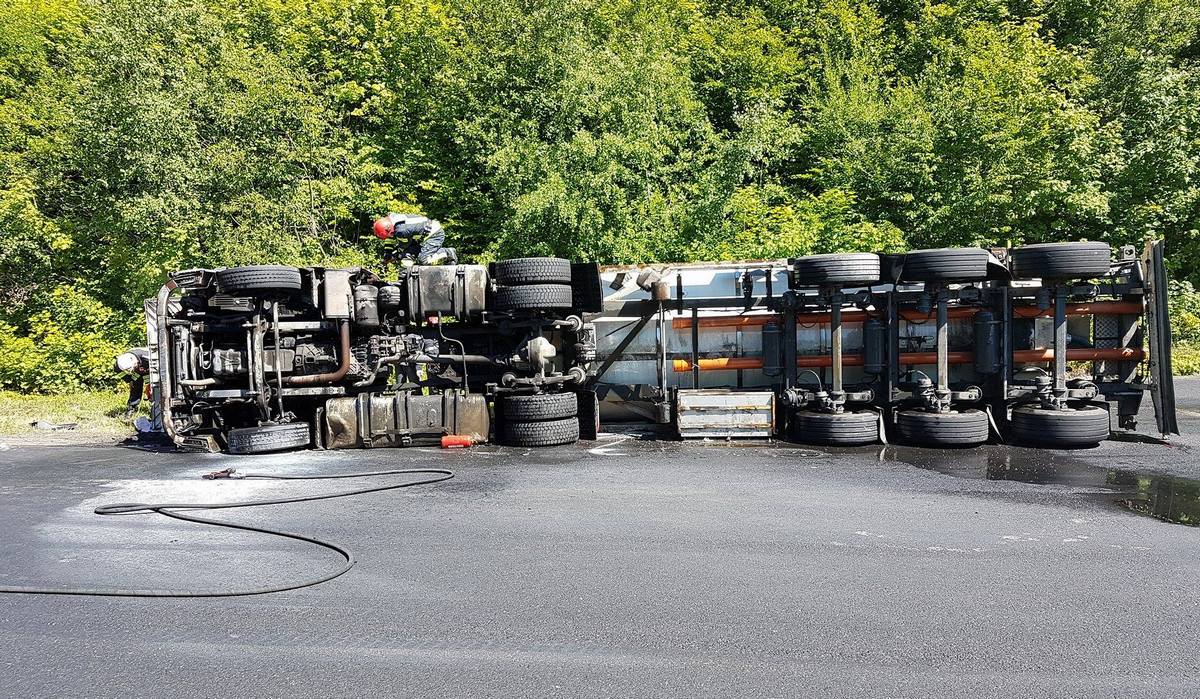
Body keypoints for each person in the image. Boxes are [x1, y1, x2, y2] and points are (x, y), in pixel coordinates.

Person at [372, 212, 458, 267]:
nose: (389, 238)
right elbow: (390, 239)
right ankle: (405, 280)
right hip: (420, 236)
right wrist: (388, 253)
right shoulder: (392, 220)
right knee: (406, 258)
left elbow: (404, 246)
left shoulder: (401, 231)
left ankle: (447, 252)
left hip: (434, 234)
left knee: (424, 260)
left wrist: (395, 256)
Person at [114, 347, 150, 418]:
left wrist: (150, 383)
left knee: (154, 389)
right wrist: (129, 380)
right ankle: (131, 408)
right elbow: (118, 371)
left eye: (131, 368)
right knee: (134, 386)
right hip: (137, 373)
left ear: (134, 361)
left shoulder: (147, 356)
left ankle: (156, 408)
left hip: (150, 370)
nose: (130, 370)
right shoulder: (119, 363)